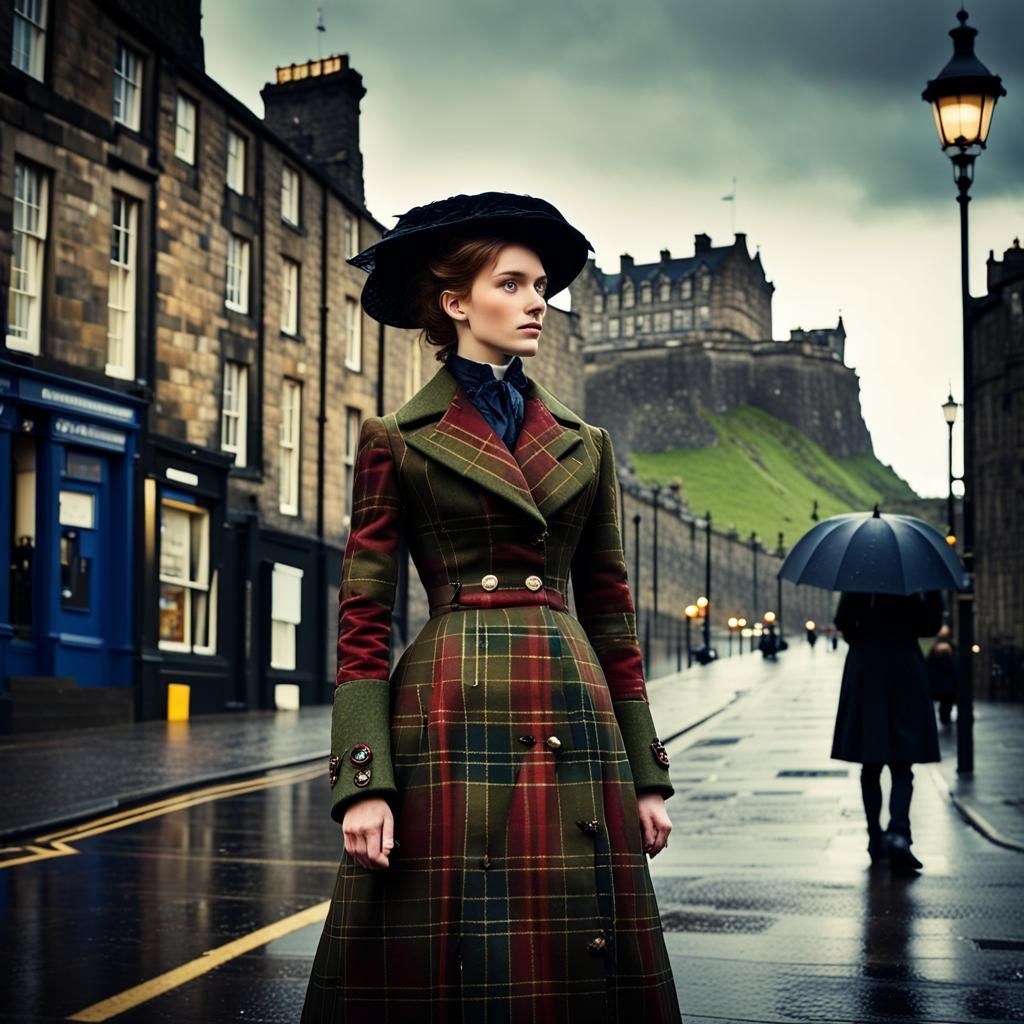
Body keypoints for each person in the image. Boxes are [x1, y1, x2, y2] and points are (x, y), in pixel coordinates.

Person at [301, 192, 681, 1022]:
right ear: (454, 302)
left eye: (540, 284)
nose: (536, 301)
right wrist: (362, 783)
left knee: (574, 947)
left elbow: (613, 615)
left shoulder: (588, 442)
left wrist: (647, 775)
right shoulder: (395, 436)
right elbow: (362, 618)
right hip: (446, 709)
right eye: (511, 283)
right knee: (449, 956)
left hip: (572, 706)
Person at [831, 590, 944, 872]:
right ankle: (898, 833)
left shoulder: (860, 580)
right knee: (902, 765)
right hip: (904, 665)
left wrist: (861, 639)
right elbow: (929, 626)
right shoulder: (912, 583)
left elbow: (843, 620)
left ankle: (875, 837)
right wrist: (932, 596)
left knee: (870, 764)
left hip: (866, 667)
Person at [926, 624, 958, 726]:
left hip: (940, 683)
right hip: (944, 683)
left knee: (944, 702)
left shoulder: (936, 647)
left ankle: (944, 717)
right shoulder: (949, 648)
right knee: (946, 702)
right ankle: (945, 717)